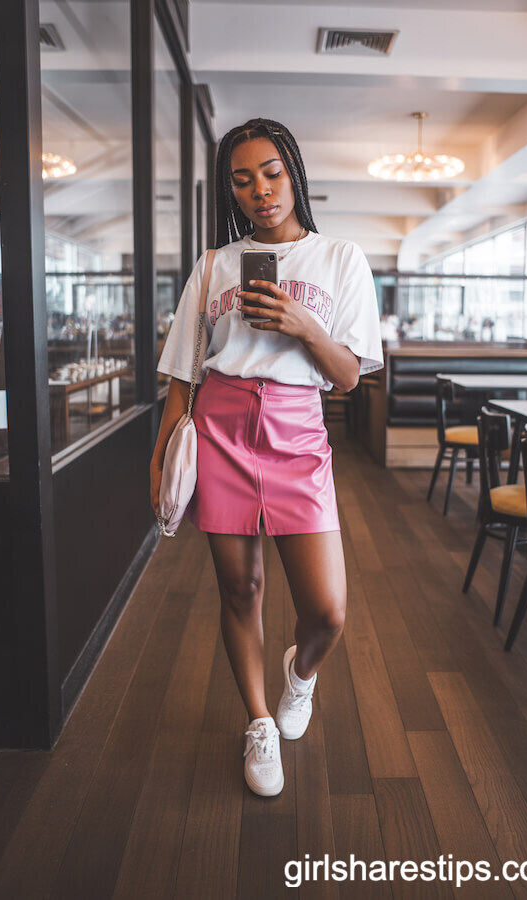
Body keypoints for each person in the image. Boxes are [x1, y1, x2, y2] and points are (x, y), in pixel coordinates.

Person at [150, 118, 383, 797]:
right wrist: (160, 460)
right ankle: (258, 721)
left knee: (327, 611)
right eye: (243, 179)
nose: (261, 190)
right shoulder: (214, 266)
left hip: (297, 433)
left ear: (294, 174)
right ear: (231, 189)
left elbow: (348, 377)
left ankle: (299, 675)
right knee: (240, 589)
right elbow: (183, 377)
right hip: (220, 427)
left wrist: (303, 325)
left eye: (273, 173)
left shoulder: (340, 258)